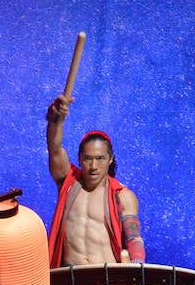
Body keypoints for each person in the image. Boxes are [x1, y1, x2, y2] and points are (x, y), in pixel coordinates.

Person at [46, 94, 145, 267]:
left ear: (110, 159)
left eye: (100, 158)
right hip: (70, 277)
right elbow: (54, 148)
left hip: (106, 279)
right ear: (79, 158)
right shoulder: (68, 182)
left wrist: (137, 269)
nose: (93, 165)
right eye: (87, 158)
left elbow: (134, 237)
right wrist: (56, 121)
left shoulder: (122, 196)